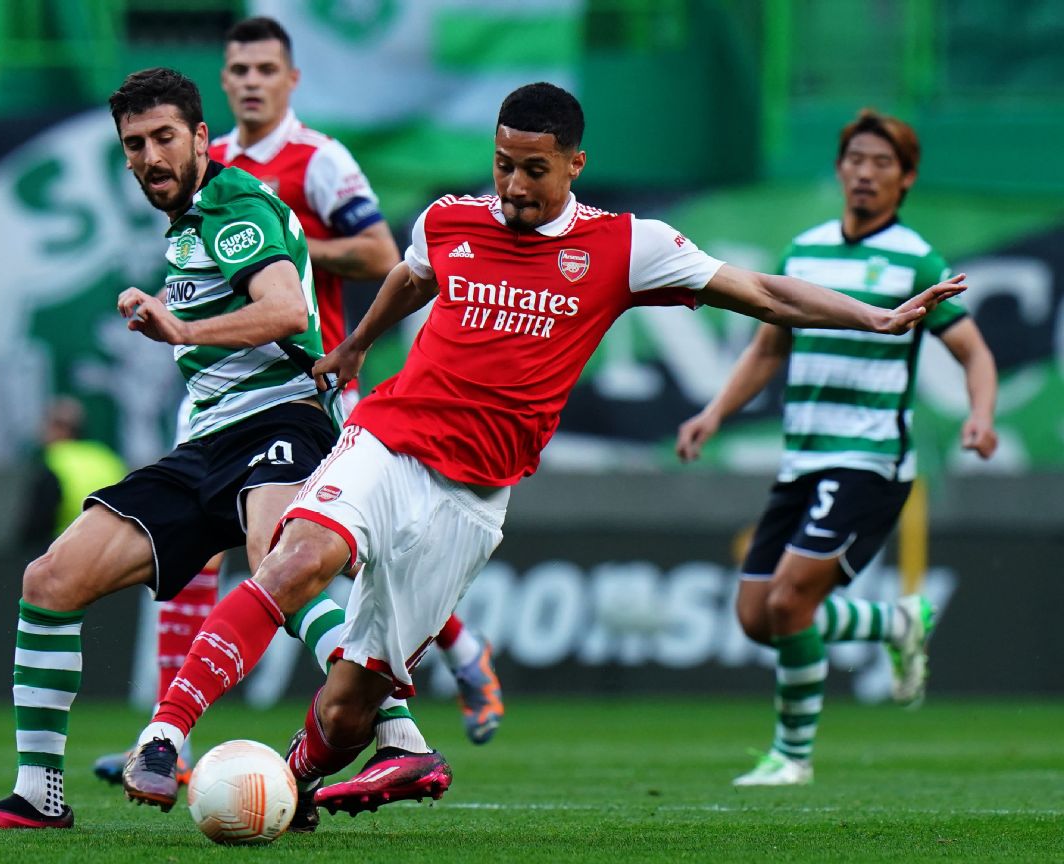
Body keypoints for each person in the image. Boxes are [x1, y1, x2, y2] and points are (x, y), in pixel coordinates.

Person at [119, 83, 967, 823]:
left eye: (534, 170)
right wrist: (355, 349)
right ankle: (165, 734)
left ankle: (296, 783)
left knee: (347, 709)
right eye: (502, 165)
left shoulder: (626, 247)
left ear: (574, 165)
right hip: (388, 437)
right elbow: (411, 276)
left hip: (472, 498)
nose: (514, 186)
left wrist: (877, 317)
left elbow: (765, 293)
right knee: (298, 553)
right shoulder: (450, 218)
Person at [90, 15, 504, 797]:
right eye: (237, 67)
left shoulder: (317, 160)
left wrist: (275, 246)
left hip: (304, 379)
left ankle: (453, 651)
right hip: (215, 385)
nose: (250, 80)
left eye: (264, 68)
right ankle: (170, 733)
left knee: (308, 553)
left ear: (290, 80)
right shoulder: (199, 164)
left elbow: (383, 255)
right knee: (207, 561)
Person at [0, 66, 364, 831]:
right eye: (133, 145)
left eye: (164, 138)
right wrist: (167, 307)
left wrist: (181, 326)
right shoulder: (189, 224)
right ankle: (40, 795)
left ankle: (394, 724)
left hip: (282, 421)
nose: (148, 157)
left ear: (201, 138)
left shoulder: (234, 202)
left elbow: (284, 306)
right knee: (51, 577)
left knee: (280, 560)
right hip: (207, 443)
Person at [676, 109, 998, 787]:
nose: (865, 172)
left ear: (905, 178)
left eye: (882, 163)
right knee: (756, 616)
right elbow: (768, 349)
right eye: (856, 159)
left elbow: (973, 352)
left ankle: (792, 758)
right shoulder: (804, 251)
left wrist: (981, 414)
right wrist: (713, 413)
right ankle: (895, 621)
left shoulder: (915, 259)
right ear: (840, 168)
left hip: (870, 458)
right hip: (804, 457)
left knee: (791, 603)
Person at [19, 396, 128, 552]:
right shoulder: (107, 457)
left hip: (66, 550)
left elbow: (36, 525)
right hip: (113, 549)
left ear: (60, 428)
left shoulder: (54, 461)